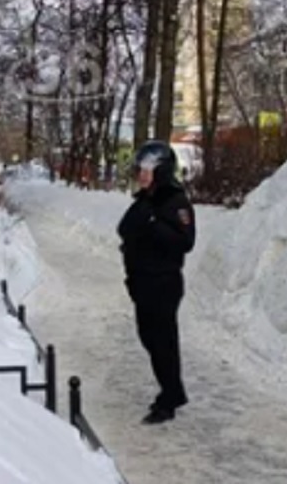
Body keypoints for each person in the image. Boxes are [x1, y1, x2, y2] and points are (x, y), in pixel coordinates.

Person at [117, 139, 197, 424]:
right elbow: (124, 228)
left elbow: (185, 241)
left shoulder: (174, 201)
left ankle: (171, 397)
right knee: (149, 338)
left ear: (162, 170)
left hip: (163, 283)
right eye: (139, 168)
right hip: (142, 283)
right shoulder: (146, 199)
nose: (140, 174)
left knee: (163, 342)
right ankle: (172, 391)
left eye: (146, 169)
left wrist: (153, 227)